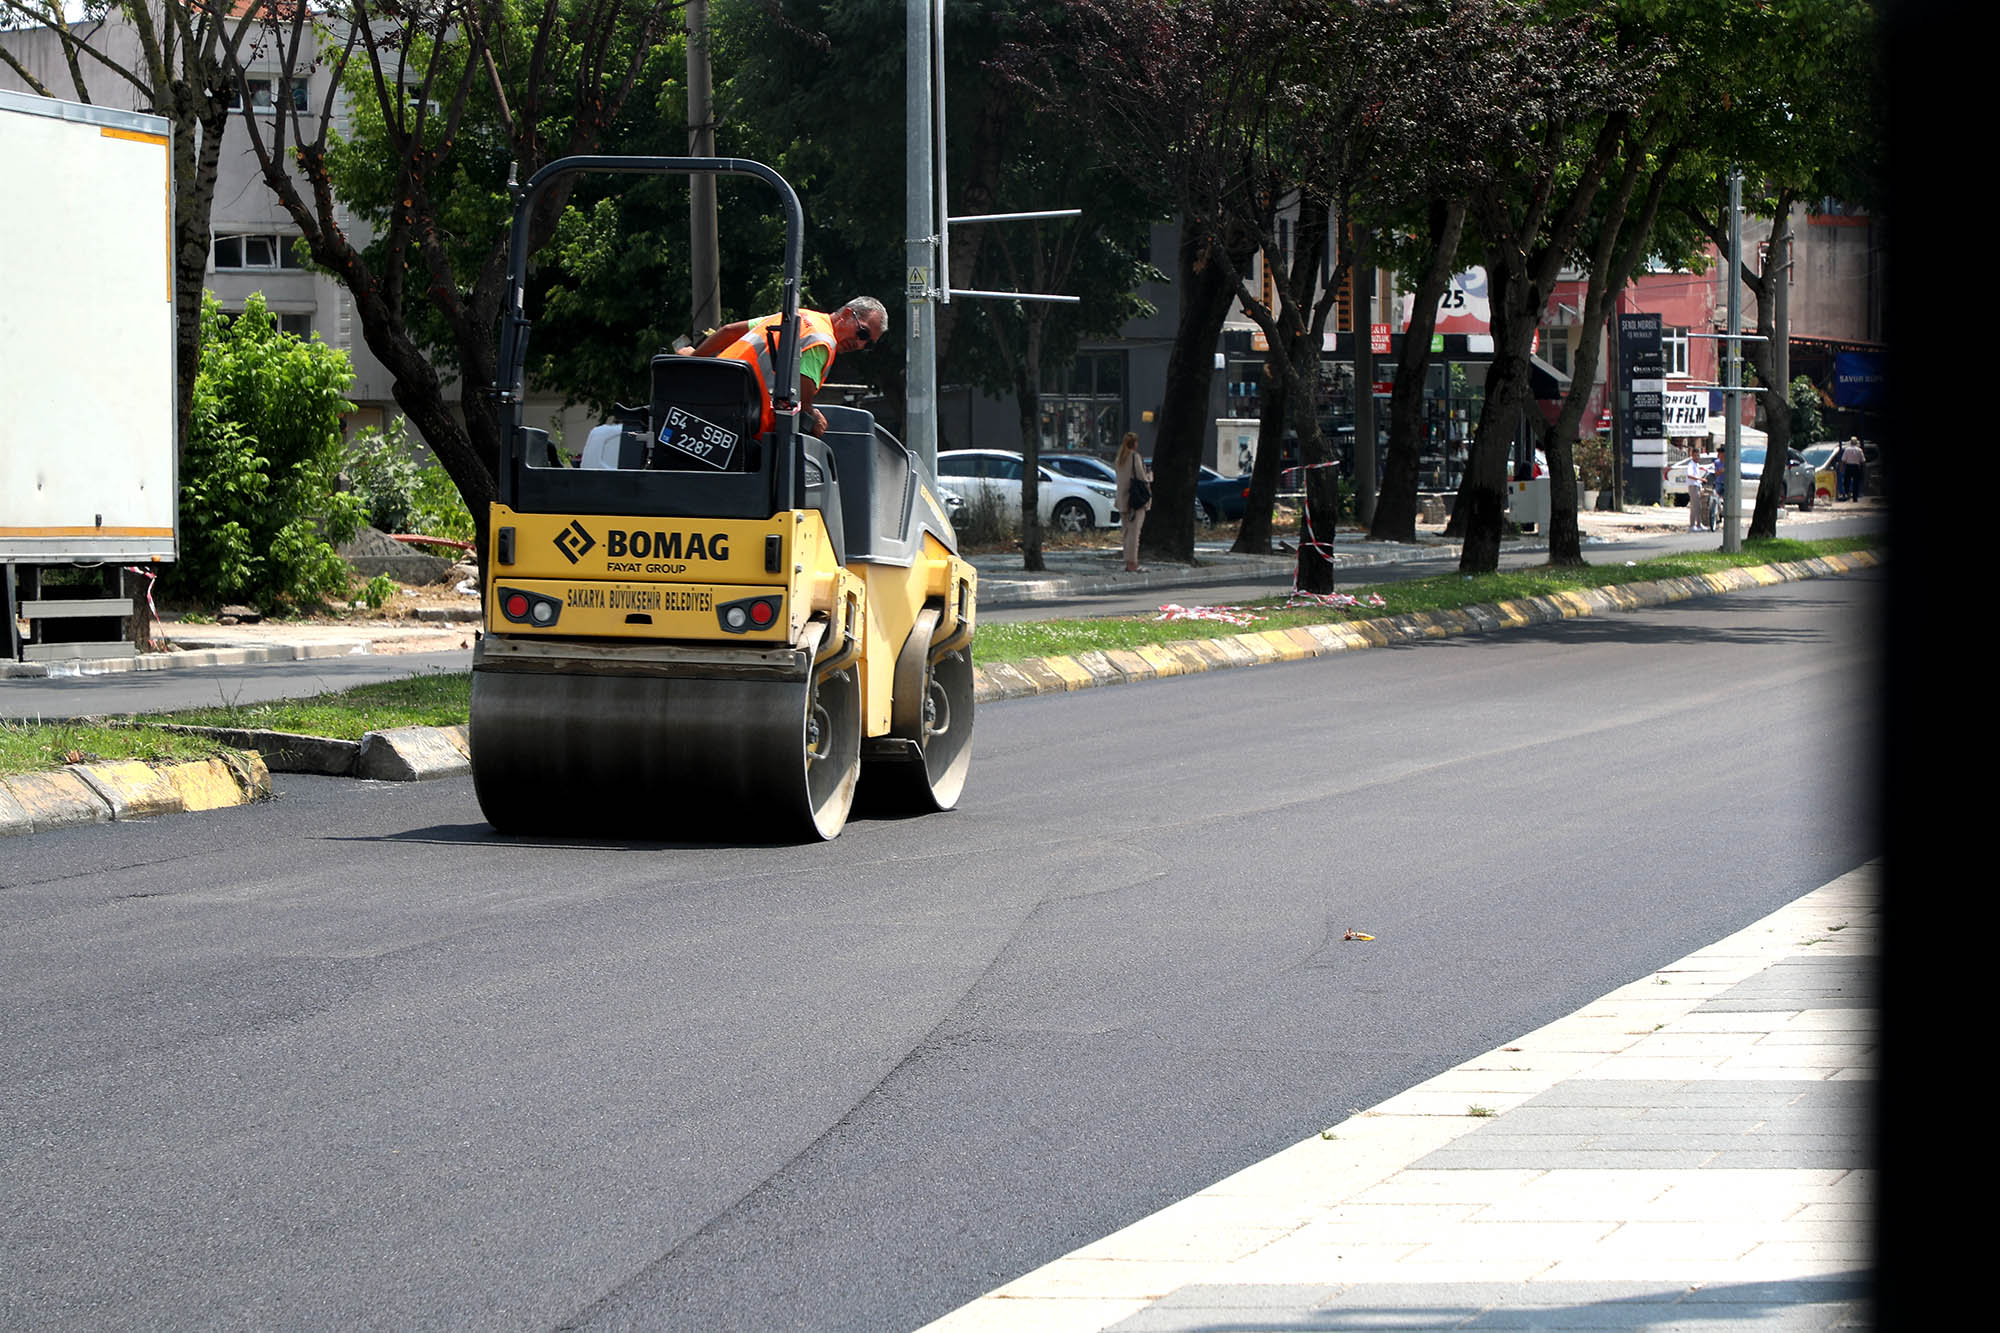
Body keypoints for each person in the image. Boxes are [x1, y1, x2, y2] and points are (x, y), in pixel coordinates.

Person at [679, 297, 887, 438]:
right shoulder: (822, 342)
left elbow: (729, 331)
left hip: (706, 405)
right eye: (862, 334)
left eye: (868, 344)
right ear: (847, 314)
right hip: (745, 427)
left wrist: (694, 358)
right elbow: (802, 403)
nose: (860, 344)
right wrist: (814, 417)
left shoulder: (798, 317)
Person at [1115, 431, 1152, 572]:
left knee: (1126, 532)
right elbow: (1142, 478)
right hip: (1136, 500)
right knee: (1135, 533)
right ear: (1134, 443)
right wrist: (1150, 476)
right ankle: (1133, 563)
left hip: (1123, 499)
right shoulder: (1135, 457)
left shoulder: (1120, 458)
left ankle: (1127, 561)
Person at [1840, 437, 1866, 501]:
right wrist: (1863, 469)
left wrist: (1842, 468)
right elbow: (1863, 461)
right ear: (1856, 442)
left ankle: (1847, 494)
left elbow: (1843, 460)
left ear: (1850, 442)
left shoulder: (1847, 449)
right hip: (1856, 467)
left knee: (1847, 482)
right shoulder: (1859, 450)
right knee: (1856, 483)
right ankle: (1855, 497)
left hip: (1849, 466)